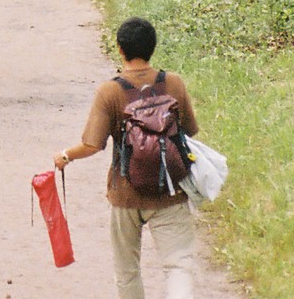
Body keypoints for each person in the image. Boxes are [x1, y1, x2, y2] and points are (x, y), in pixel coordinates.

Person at [55, 17, 201, 299]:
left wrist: (65, 156)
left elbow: (92, 144)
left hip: (125, 195)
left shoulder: (110, 91)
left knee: (127, 271)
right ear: (152, 48)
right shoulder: (174, 84)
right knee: (178, 266)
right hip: (170, 191)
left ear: (120, 49)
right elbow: (190, 132)